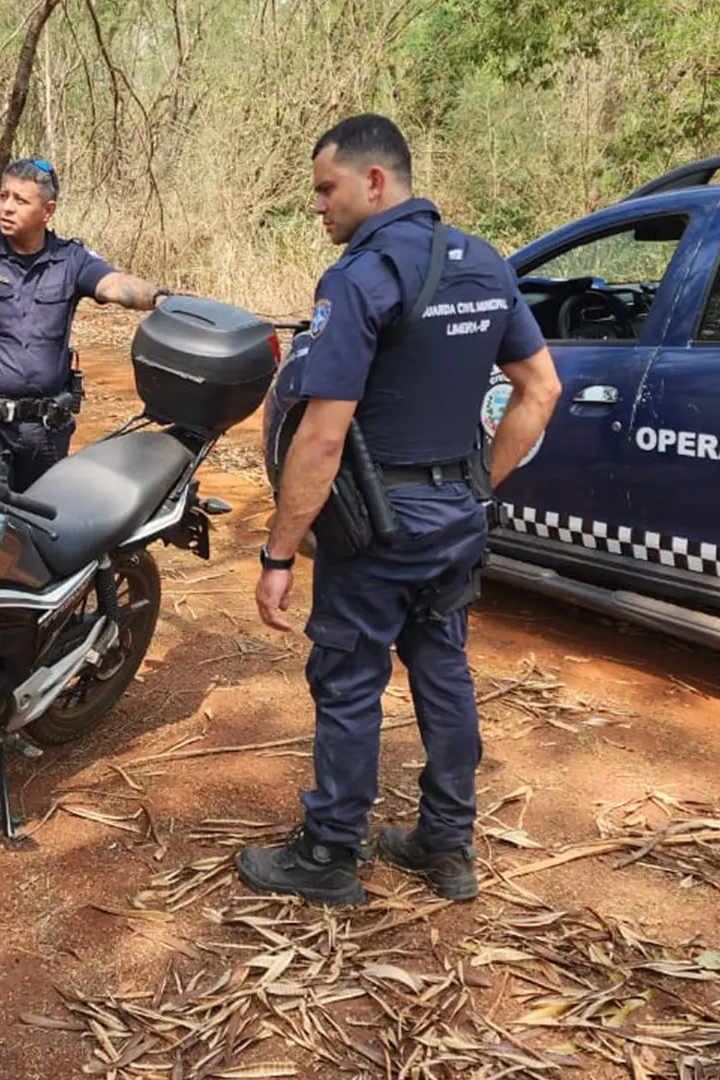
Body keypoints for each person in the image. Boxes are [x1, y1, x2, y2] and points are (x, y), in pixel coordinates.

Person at [241, 115, 562, 906]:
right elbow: (541, 389)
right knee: (443, 670)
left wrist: (279, 555)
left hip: (377, 526)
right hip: (456, 518)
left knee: (349, 680)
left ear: (374, 181)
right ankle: (446, 848)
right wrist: (477, 484)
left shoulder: (360, 278)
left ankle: (329, 853)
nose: (318, 205)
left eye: (326, 188)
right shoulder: (484, 262)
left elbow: (322, 435)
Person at [0, 157, 175, 490]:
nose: (6, 207)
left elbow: (113, 284)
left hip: (47, 431)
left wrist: (161, 298)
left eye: (20, 200)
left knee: (40, 530)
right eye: (4, 196)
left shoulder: (71, 260)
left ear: (47, 211)